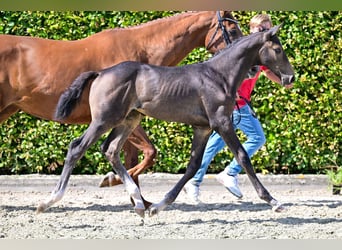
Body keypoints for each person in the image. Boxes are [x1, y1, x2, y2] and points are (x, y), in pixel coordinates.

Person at [183, 14, 293, 204]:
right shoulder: (244, 48)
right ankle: (227, 173)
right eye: (261, 29)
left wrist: (283, 81)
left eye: (267, 28)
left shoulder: (259, 49)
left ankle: (195, 180)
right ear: (252, 29)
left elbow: (266, 71)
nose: (265, 32)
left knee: (215, 142)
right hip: (235, 102)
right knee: (257, 137)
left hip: (238, 102)